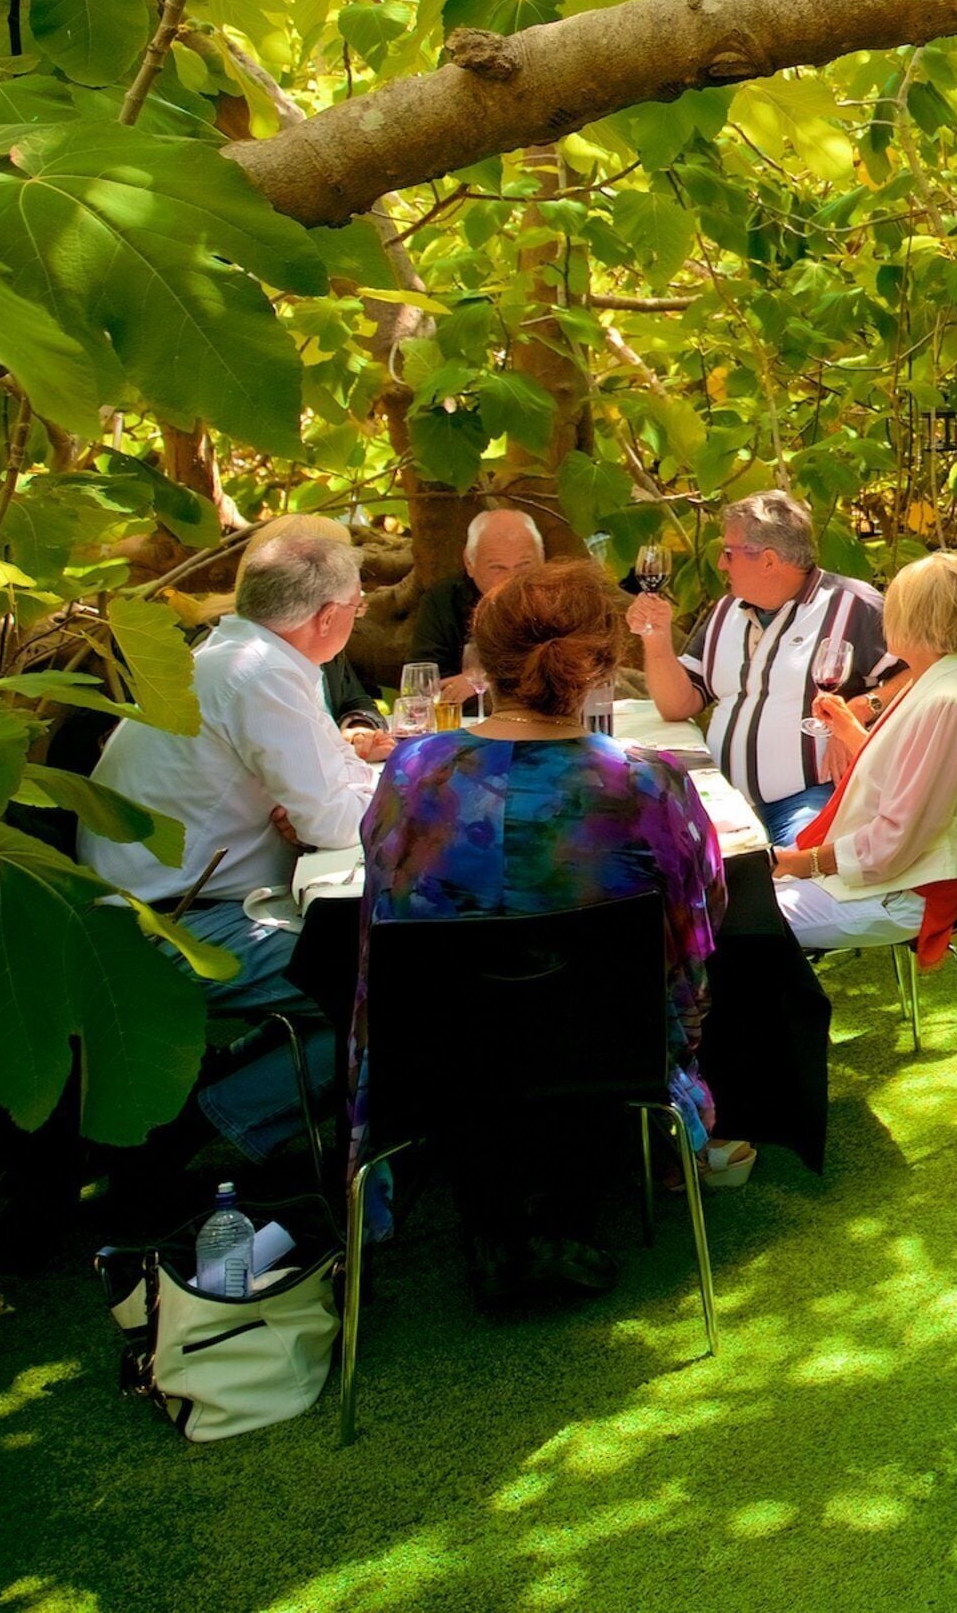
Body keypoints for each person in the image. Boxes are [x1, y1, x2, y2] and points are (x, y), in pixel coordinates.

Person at [359, 560, 727, 1310]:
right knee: (587, 1009)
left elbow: (380, 897)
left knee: (494, 1023)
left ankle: (493, 1229)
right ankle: (565, 1224)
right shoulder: (646, 784)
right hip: (605, 1048)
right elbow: (702, 914)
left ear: (484, 663)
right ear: (604, 661)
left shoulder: (414, 772)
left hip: (440, 1055)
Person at [82, 515, 397, 1160]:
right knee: (391, 982)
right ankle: (202, 1130)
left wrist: (343, 794)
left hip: (182, 902)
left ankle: (219, 1100)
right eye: (358, 606)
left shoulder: (251, 656)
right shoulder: (259, 674)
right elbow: (334, 820)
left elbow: (340, 780)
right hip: (167, 923)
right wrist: (413, 799)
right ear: (328, 616)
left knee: (373, 966)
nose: (359, 617)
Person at [625, 490, 890, 846]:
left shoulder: (855, 606)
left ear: (768, 561)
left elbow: (920, 674)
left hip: (809, 800)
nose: (721, 563)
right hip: (721, 802)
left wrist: (859, 710)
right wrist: (655, 640)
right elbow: (679, 705)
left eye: (729, 552)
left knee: (788, 884)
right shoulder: (725, 611)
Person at [775, 552, 957, 955]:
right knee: (734, 910)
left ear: (913, 618)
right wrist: (847, 729)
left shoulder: (946, 700)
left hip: (908, 891)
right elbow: (908, 780)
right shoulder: (937, 679)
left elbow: (896, 838)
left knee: (737, 923)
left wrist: (801, 863)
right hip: (893, 875)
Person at [413, 503, 541, 710]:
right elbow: (428, 684)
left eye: (524, 566)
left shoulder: (562, 599)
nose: (512, 579)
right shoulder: (443, 601)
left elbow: (569, 669)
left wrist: (485, 678)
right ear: (469, 563)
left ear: (542, 558)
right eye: (498, 568)